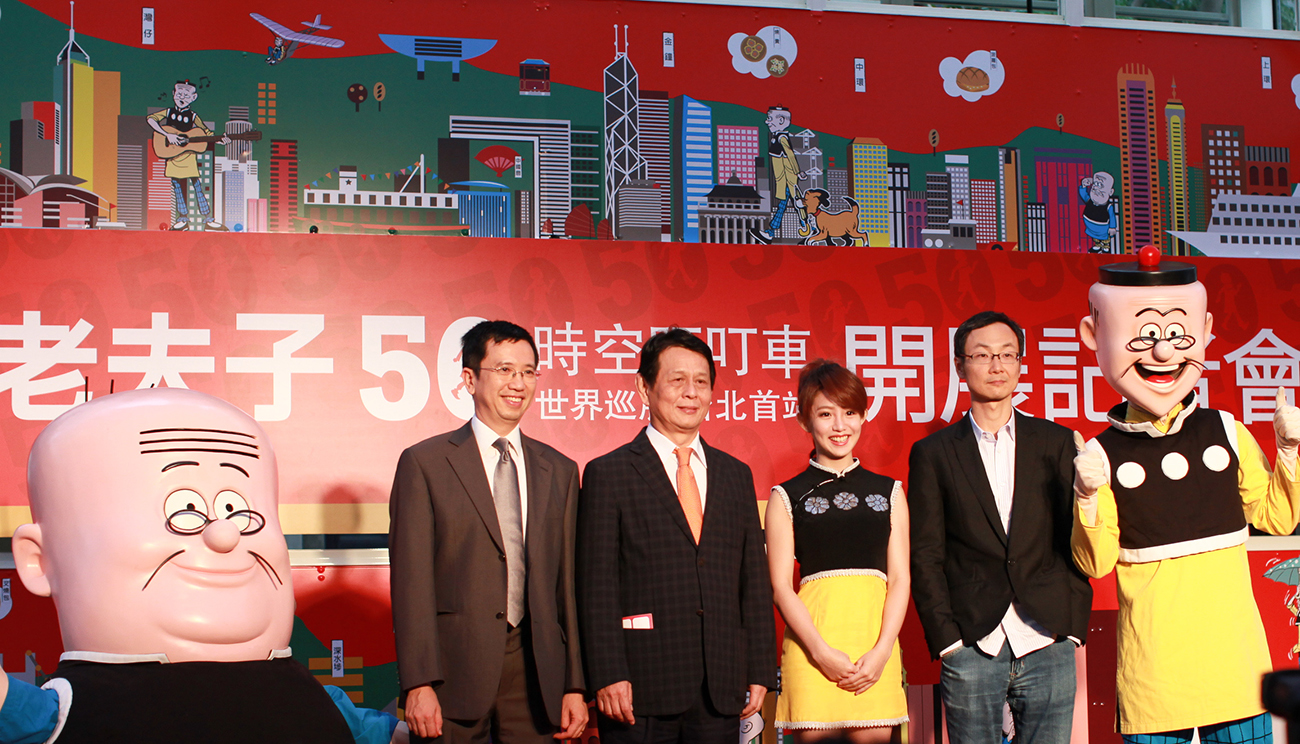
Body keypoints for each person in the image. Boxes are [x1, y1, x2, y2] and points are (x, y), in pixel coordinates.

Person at [0, 387, 403, 744]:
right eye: (184, 510)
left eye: (238, 511)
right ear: (39, 561)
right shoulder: (63, 713)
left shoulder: (317, 702)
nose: (224, 534)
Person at [1072, 247, 1300, 743]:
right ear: (1094, 335)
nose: (1163, 353)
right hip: (1153, 673)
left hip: (1234, 665)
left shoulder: (1227, 431)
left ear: (1206, 329)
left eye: (1178, 335)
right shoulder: (1101, 454)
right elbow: (1096, 562)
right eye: (1145, 336)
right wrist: (1086, 496)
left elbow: (1277, 518)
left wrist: (1288, 452)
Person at [388, 320, 586, 744]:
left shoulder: (561, 470)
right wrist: (419, 683)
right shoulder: (425, 463)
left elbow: (567, 588)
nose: (518, 383)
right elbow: (411, 582)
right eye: (504, 370)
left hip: (537, 674)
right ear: (469, 379)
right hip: (451, 673)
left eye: (528, 371)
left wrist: (574, 684)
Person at [577, 328, 776, 744]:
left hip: (720, 684)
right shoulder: (609, 473)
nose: (691, 393)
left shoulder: (735, 474)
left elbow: (753, 582)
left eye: (701, 382)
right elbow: (597, 586)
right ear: (644, 387)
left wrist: (759, 667)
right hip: (640, 685)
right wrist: (608, 672)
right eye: (677, 380)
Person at [909, 311, 1092, 744]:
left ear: (1020, 363)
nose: (997, 366)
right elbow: (926, 552)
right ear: (960, 365)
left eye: (1008, 355)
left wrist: (1070, 628)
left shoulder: (1057, 442)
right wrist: (947, 641)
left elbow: (1074, 537)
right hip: (972, 643)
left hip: (1047, 638)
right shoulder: (933, 452)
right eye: (983, 355)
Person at [767, 360, 909, 742]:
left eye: (849, 412)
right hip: (812, 650)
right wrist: (820, 653)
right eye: (826, 414)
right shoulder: (785, 496)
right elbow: (780, 587)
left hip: (874, 649)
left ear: (863, 416)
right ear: (804, 420)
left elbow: (900, 579)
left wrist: (882, 652)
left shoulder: (890, 492)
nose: (840, 426)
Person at [147, 80, 228, 231]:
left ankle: (208, 219)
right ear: (173, 94)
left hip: (188, 155)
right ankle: (183, 219)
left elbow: (206, 132)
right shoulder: (168, 112)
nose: (182, 98)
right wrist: (167, 134)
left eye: (186, 95)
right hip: (173, 155)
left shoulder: (193, 116)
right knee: (178, 187)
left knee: (197, 186)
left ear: (194, 97)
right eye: (179, 94)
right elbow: (151, 119)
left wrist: (219, 140)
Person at [750, 105, 806, 245]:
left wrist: (798, 172)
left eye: (770, 119)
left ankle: (807, 228)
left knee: (795, 204)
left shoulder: (782, 138)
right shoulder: (777, 137)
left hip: (789, 180)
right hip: (784, 180)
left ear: (781, 121)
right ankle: (773, 232)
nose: (767, 122)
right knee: (788, 205)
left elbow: (790, 154)